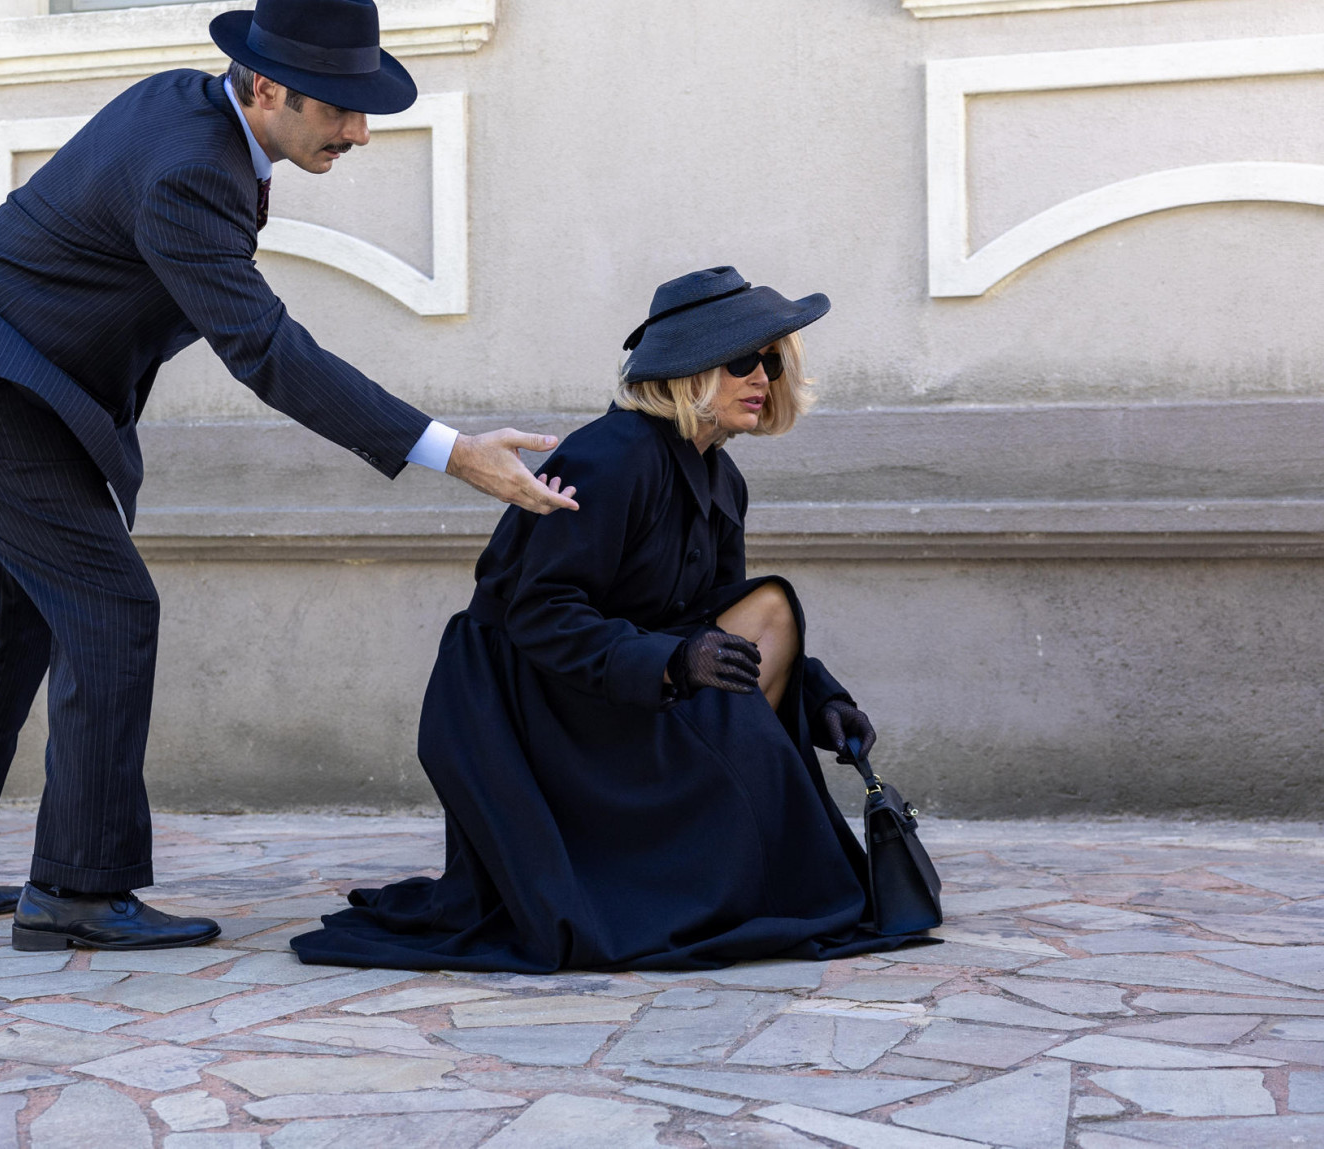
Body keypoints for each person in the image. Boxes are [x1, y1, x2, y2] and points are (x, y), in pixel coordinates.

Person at [0, 0, 578, 953]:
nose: (359, 132)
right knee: (110, 606)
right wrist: (450, 451)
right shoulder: (192, 167)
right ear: (268, 88)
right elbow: (267, 350)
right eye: (342, 108)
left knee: (16, 617)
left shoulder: (192, 113)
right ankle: (74, 888)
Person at [292, 266, 923, 972]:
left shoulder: (719, 475)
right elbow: (538, 611)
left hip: (613, 683)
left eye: (773, 361)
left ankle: (730, 875)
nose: (763, 377)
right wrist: (670, 664)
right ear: (686, 371)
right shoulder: (612, 456)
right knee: (748, 697)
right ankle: (709, 879)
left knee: (770, 609)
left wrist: (819, 700)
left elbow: (711, 615)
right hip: (525, 702)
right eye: (742, 359)